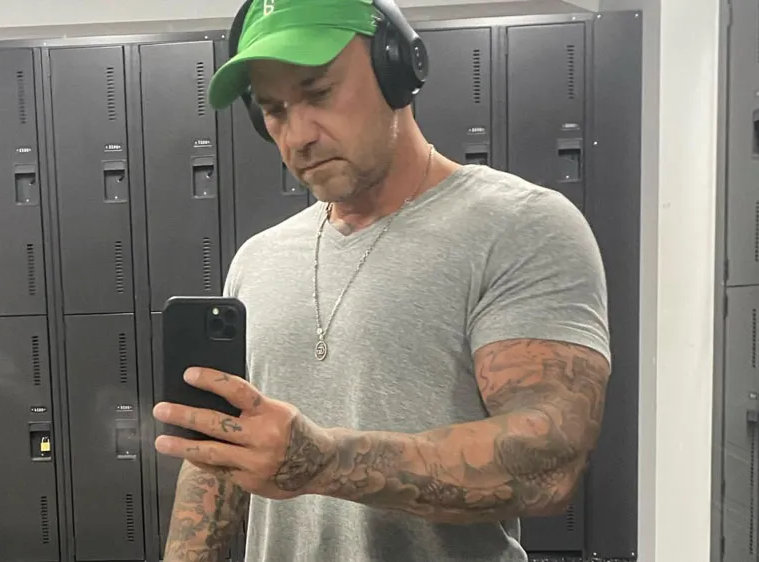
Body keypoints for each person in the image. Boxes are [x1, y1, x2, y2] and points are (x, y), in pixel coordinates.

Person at [151, 0, 612, 560]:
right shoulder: (258, 257)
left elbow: (548, 465)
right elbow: (217, 454)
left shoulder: (521, 226)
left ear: (396, 69)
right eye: (274, 110)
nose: (298, 136)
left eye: (320, 93)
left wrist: (325, 462)